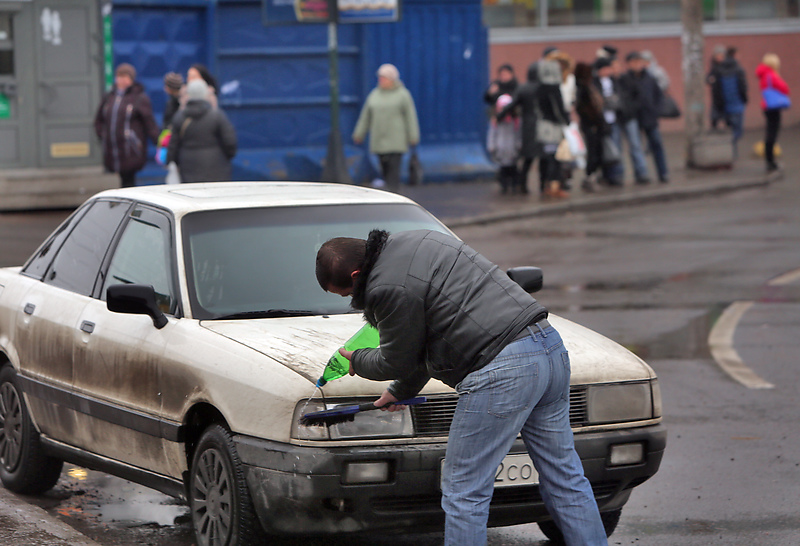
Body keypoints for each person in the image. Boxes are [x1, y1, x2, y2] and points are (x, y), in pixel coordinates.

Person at [315, 230, 608, 546]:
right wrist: (400, 391)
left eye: (344, 293)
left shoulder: (386, 287)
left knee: (463, 489)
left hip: (502, 369)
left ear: (356, 275)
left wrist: (355, 361)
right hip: (547, 348)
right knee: (565, 477)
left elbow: (395, 360)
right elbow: (419, 344)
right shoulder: (421, 240)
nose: (349, 299)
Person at [352, 63, 420, 193]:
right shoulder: (374, 95)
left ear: (392, 79)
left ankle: (394, 194)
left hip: (396, 140)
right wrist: (359, 133)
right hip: (379, 140)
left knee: (394, 171)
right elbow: (366, 116)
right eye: (380, 77)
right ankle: (390, 191)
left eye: (384, 78)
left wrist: (413, 136)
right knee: (384, 169)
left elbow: (410, 117)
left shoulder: (403, 95)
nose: (381, 80)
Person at [93, 63, 160, 188]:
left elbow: (149, 123)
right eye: (119, 76)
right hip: (113, 149)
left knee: (128, 181)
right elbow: (98, 120)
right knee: (122, 180)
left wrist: (160, 143)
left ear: (131, 79)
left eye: (125, 77)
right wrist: (103, 135)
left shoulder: (139, 98)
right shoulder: (109, 97)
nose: (121, 80)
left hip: (131, 149)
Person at [167, 79, 238, 183]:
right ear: (205, 94)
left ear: (188, 94)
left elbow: (173, 146)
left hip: (188, 168)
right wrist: (225, 158)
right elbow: (230, 143)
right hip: (217, 168)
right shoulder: (217, 116)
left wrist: (175, 162)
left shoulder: (179, 117)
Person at [620, 51, 669, 183]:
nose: (637, 65)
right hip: (633, 117)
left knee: (656, 144)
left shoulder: (649, 78)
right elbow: (623, 98)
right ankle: (641, 173)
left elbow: (658, 95)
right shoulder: (625, 79)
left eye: (639, 62)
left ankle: (663, 172)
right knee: (635, 145)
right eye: (634, 62)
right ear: (629, 64)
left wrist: (656, 110)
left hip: (649, 116)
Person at [497, 62, 540, 194]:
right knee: (543, 157)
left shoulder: (523, 88)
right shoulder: (542, 88)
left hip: (527, 125)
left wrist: (500, 115)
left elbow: (512, 104)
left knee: (528, 157)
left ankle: (521, 183)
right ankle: (543, 185)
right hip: (540, 125)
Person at [574, 61, 610, 192]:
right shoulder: (582, 89)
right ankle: (590, 178)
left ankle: (594, 176)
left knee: (597, 151)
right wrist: (593, 122)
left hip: (595, 124)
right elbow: (585, 109)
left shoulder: (589, 86)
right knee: (593, 153)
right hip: (591, 125)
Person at [707, 47, 748, 155]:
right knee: (735, 131)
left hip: (725, 105)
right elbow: (743, 87)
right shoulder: (735, 70)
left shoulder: (718, 70)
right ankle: (730, 152)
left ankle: (730, 152)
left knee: (731, 130)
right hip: (732, 105)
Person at [756, 53, 790, 172]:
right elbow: (785, 88)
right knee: (772, 133)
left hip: (767, 106)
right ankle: (770, 162)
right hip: (773, 107)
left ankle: (770, 161)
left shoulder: (764, 74)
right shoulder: (771, 74)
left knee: (770, 132)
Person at [487, 94, 520, 194]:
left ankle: (514, 185)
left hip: (512, 149)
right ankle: (504, 186)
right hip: (501, 149)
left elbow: (518, 134)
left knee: (513, 169)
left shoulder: (516, 121)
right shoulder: (495, 122)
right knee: (503, 170)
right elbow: (492, 134)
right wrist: (491, 145)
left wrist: (519, 145)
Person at [706, 45, 728, 130]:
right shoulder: (714, 67)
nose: (719, 58)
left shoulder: (727, 67)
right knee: (715, 113)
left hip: (725, 93)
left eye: (721, 55)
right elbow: (708, 77)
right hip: (716, 94)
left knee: (726, 113)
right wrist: (710, 79)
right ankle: (714, 125)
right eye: (717, 55)